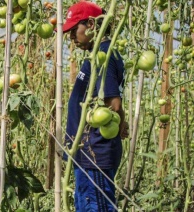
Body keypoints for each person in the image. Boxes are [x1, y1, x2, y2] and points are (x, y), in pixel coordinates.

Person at [60, 1, 129, 211]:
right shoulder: (97, 54)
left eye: (74, 31)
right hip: (89, 153)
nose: (71, 38)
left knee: (96, 206)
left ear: (91, 24)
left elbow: (113, 104)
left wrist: (119, 121)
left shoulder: (103, 56)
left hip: (94, 153)